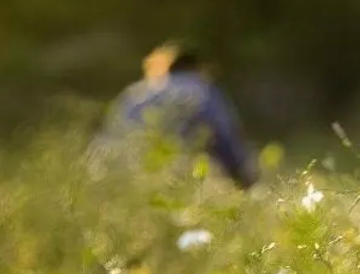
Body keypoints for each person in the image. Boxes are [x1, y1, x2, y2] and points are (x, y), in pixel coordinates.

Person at [91, 42, 259, 189]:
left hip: (110, 175)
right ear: (200, 67)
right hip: (162, 177)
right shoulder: (200, 89)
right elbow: (224, 139)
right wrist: (244, 179)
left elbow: (106, 136)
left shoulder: (135, 92)